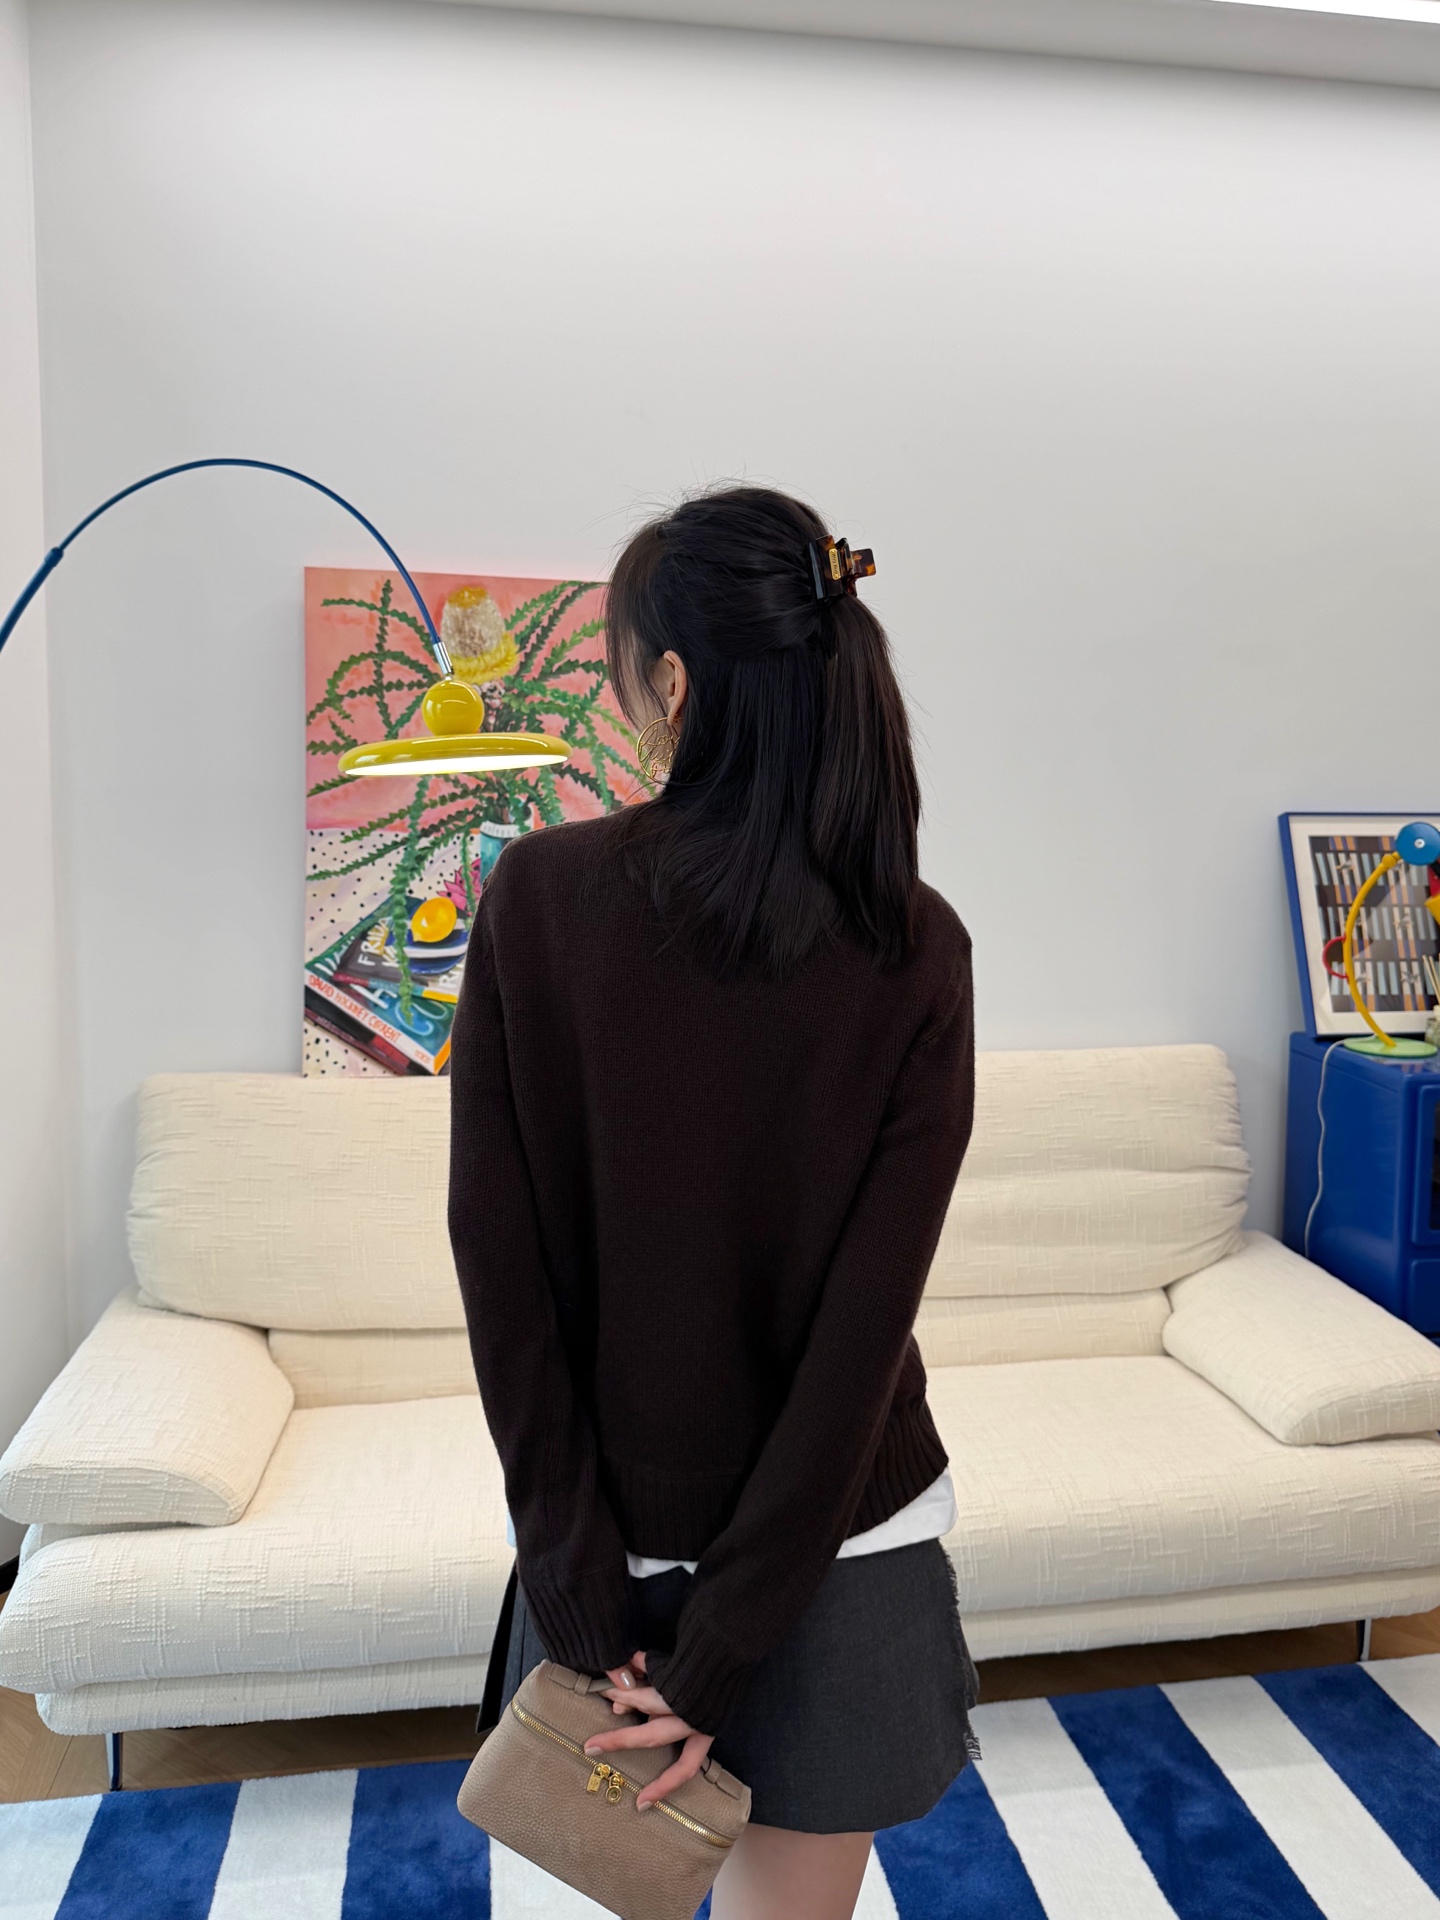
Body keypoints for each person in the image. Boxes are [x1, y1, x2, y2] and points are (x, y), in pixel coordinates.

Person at [449, 485, 979, 1920]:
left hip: (607, 1561)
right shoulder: (915, 944)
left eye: (626, 671)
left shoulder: (537, 898)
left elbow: (502, 1273)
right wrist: (725, 1645)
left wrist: (581, 1592)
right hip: (838, 1551)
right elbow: (860, 1343)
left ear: (675, 682)